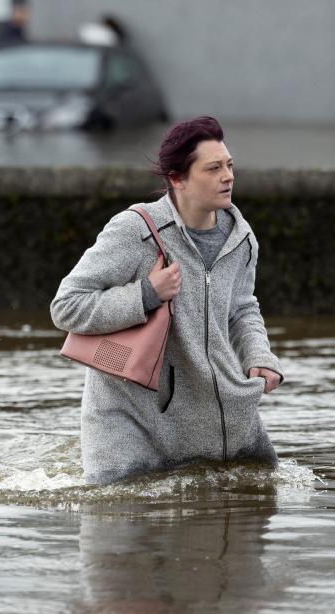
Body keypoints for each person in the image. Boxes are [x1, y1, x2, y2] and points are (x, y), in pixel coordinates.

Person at [51, 116, 285, 485]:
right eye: (213, 168)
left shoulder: (241, 237)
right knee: (126, 526)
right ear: (178, 178)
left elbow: (242, 308)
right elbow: (66, 307)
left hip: (218, 417)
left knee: (255, 507)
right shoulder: (135, 230)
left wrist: (259, 357)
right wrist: (145, 294)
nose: (228, 176)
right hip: (130, 423)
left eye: (229, 165)